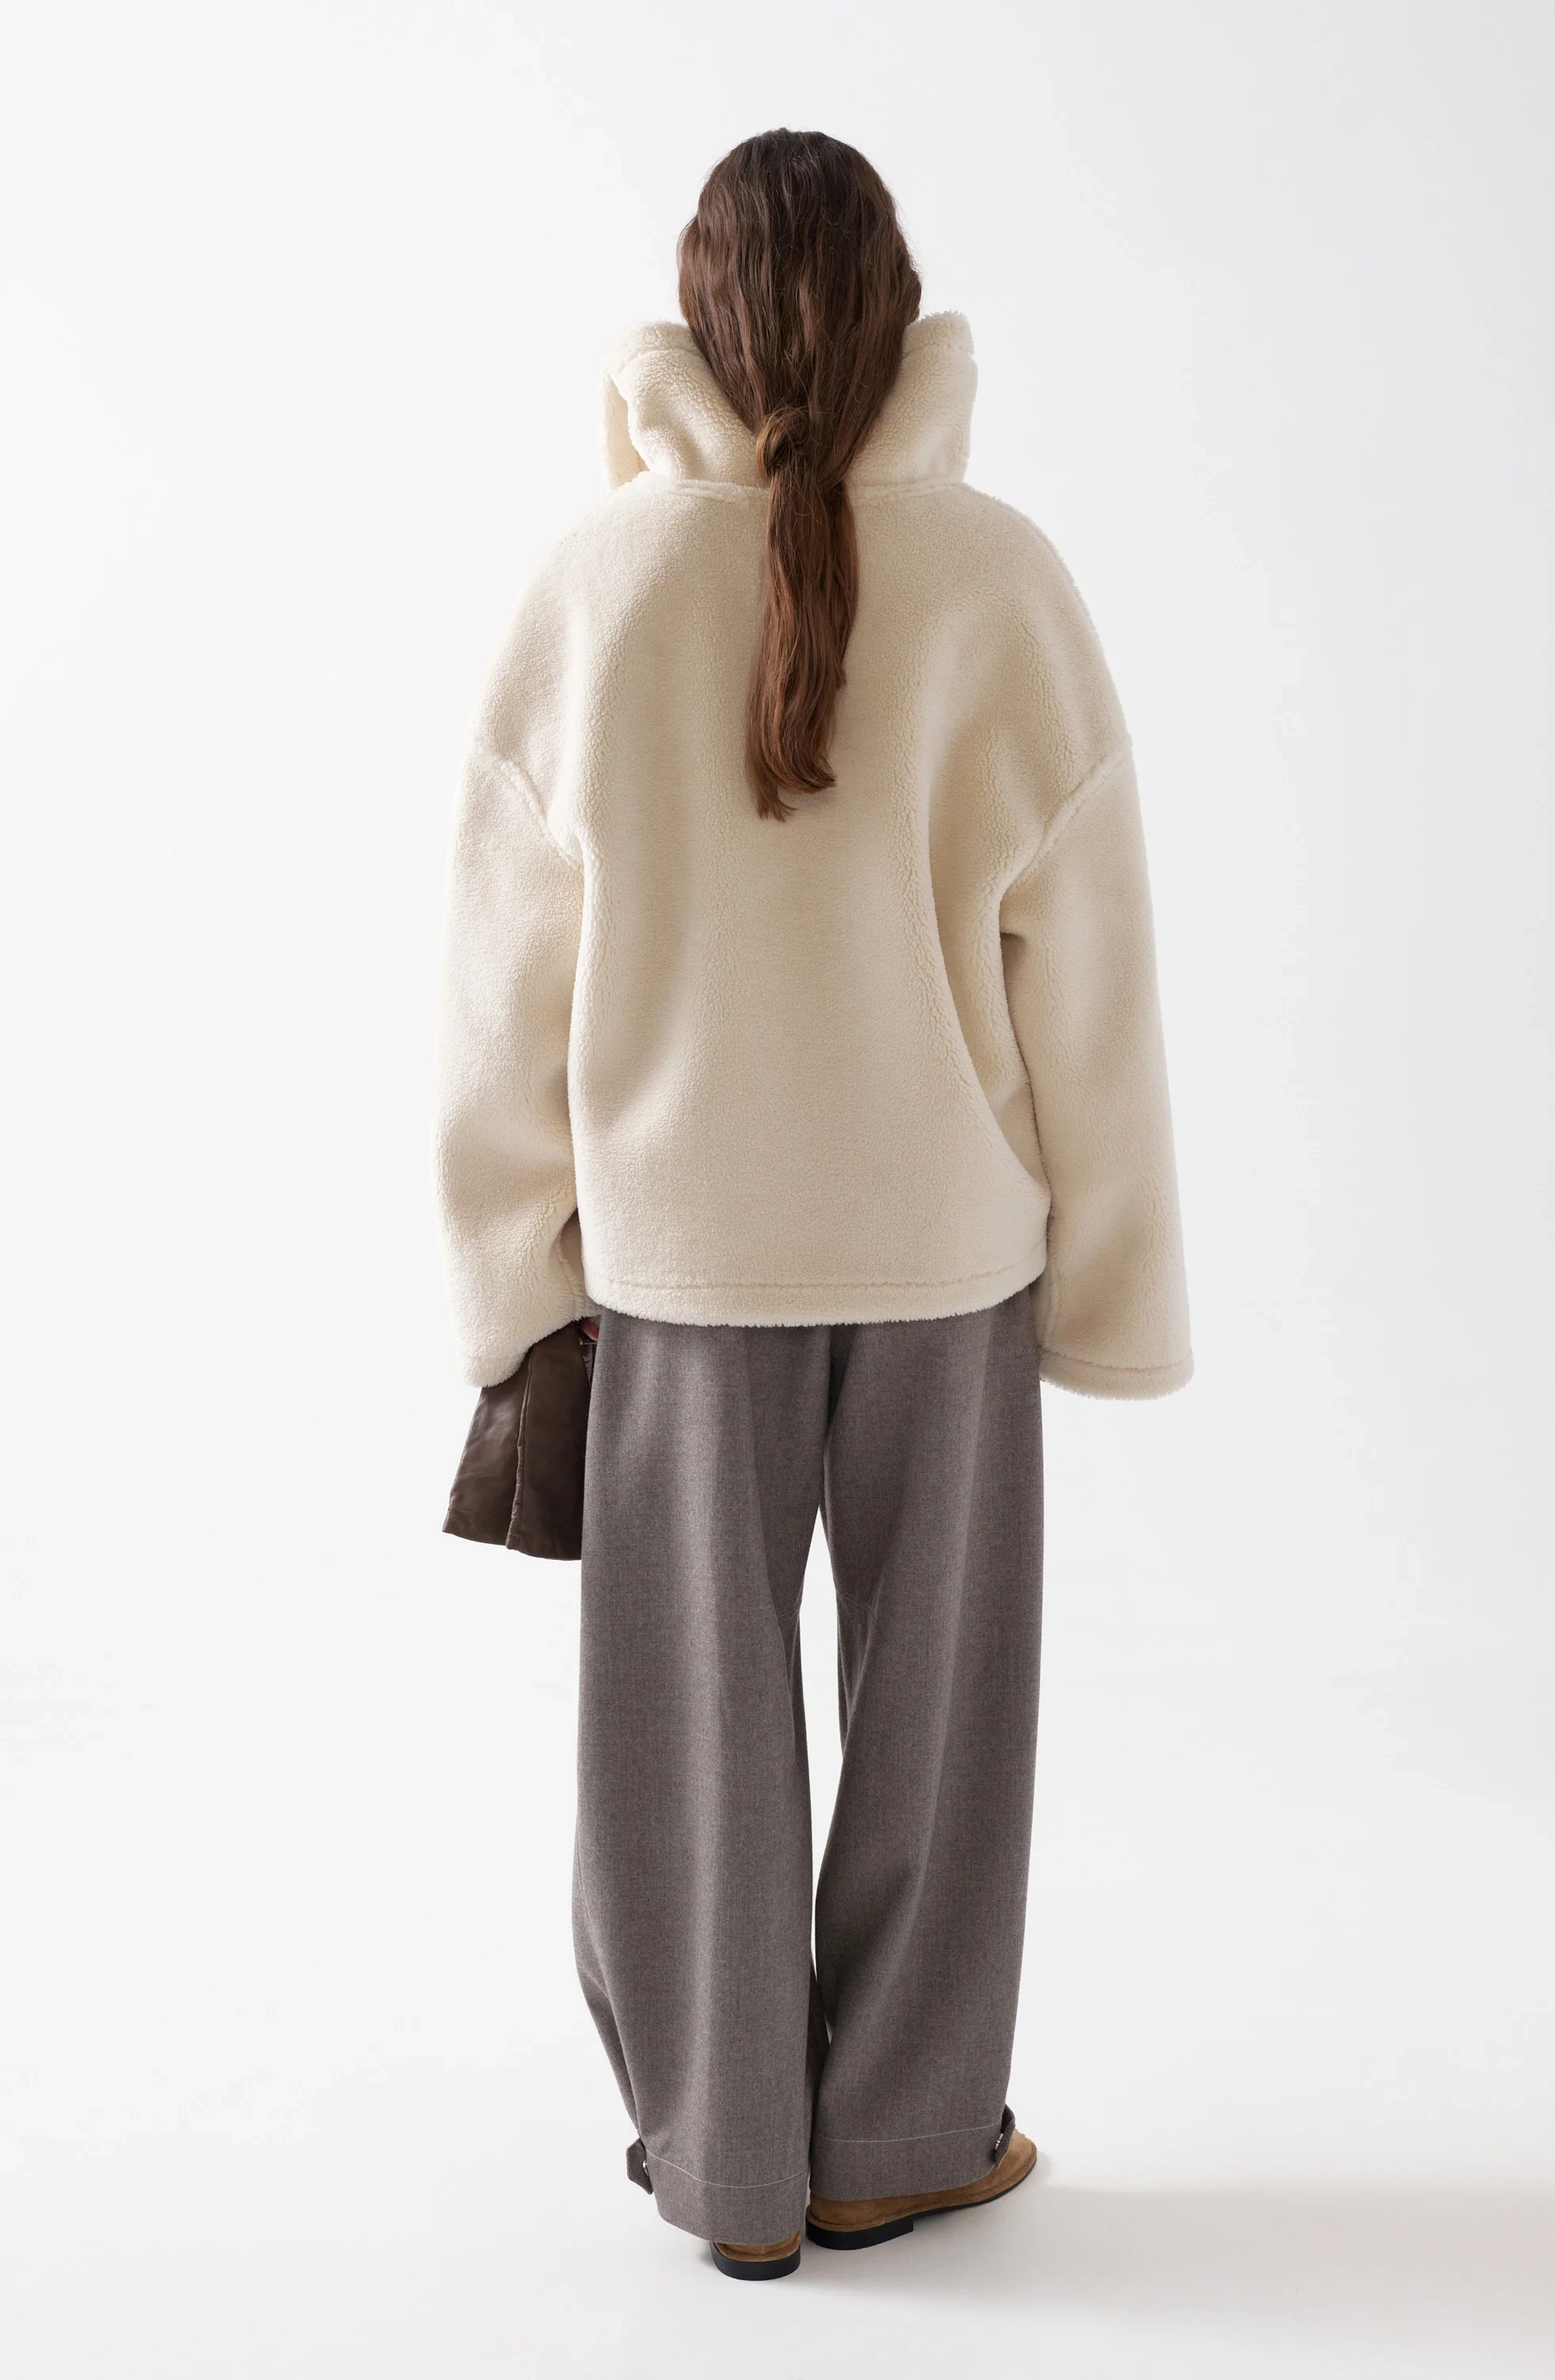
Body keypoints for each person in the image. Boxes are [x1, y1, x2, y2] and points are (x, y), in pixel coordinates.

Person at [433, 128, 1192, 2281]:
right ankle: (900, 2139)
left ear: (700, 320)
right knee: (945, 1731)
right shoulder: (1007, 582)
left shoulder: (594, 589)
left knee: (685, 1736)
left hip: (679, 1272)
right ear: (894, 313)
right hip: (950, 1260)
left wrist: (513, 1284)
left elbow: (500, 995)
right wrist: (1111, 1293)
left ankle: (729, 2162)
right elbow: (1095, 993)